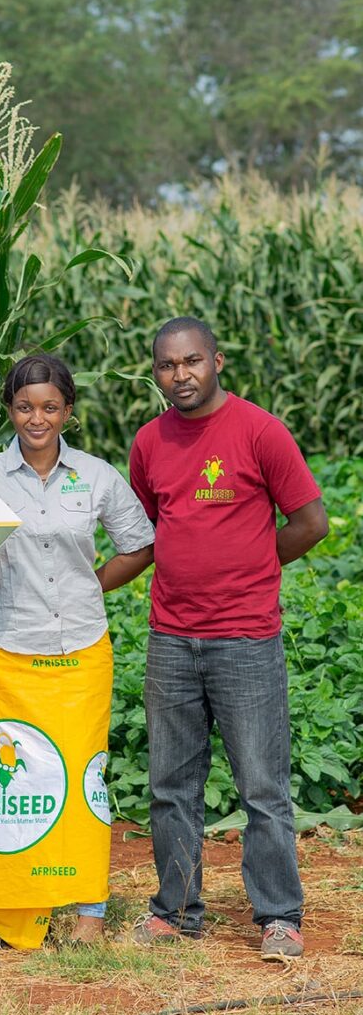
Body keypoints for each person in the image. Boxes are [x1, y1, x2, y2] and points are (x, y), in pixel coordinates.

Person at [126, 316, 328, 960]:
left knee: (262, 786)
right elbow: (154, 527)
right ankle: (177, 910)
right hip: (171, 637)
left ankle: (278, 916)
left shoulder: (259, 430)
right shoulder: (150, 442)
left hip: (245, 637)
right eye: (166, 365)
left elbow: (311, 521)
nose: (180, 375)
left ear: (217, 361)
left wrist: (254, 564)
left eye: (191, 361)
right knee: (170, 783)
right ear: (155, 372)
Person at [0, 353, 155, 950]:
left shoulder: (95, 475)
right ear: (9, 411)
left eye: (49, 407)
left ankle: (89, 910)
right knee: (10, 785)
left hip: (80, 651)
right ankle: (13, 907)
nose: (36, 418)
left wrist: (90, 583)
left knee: (83, 783)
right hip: (3, 652)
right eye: (24, 407)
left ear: (68, 410)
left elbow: (139, 544)